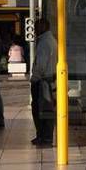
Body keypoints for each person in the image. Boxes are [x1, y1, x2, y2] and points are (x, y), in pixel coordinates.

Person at [29, 17, 56, 147]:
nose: (34, 30)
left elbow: (41, 64)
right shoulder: (50, 40)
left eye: (36, 27)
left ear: (43, 27)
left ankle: (44, 137)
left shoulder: (44, 43)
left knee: (41, 110)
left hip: (42, 81)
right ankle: (44, 136)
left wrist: (34, 78)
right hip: (48, 79)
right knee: (46, 109)